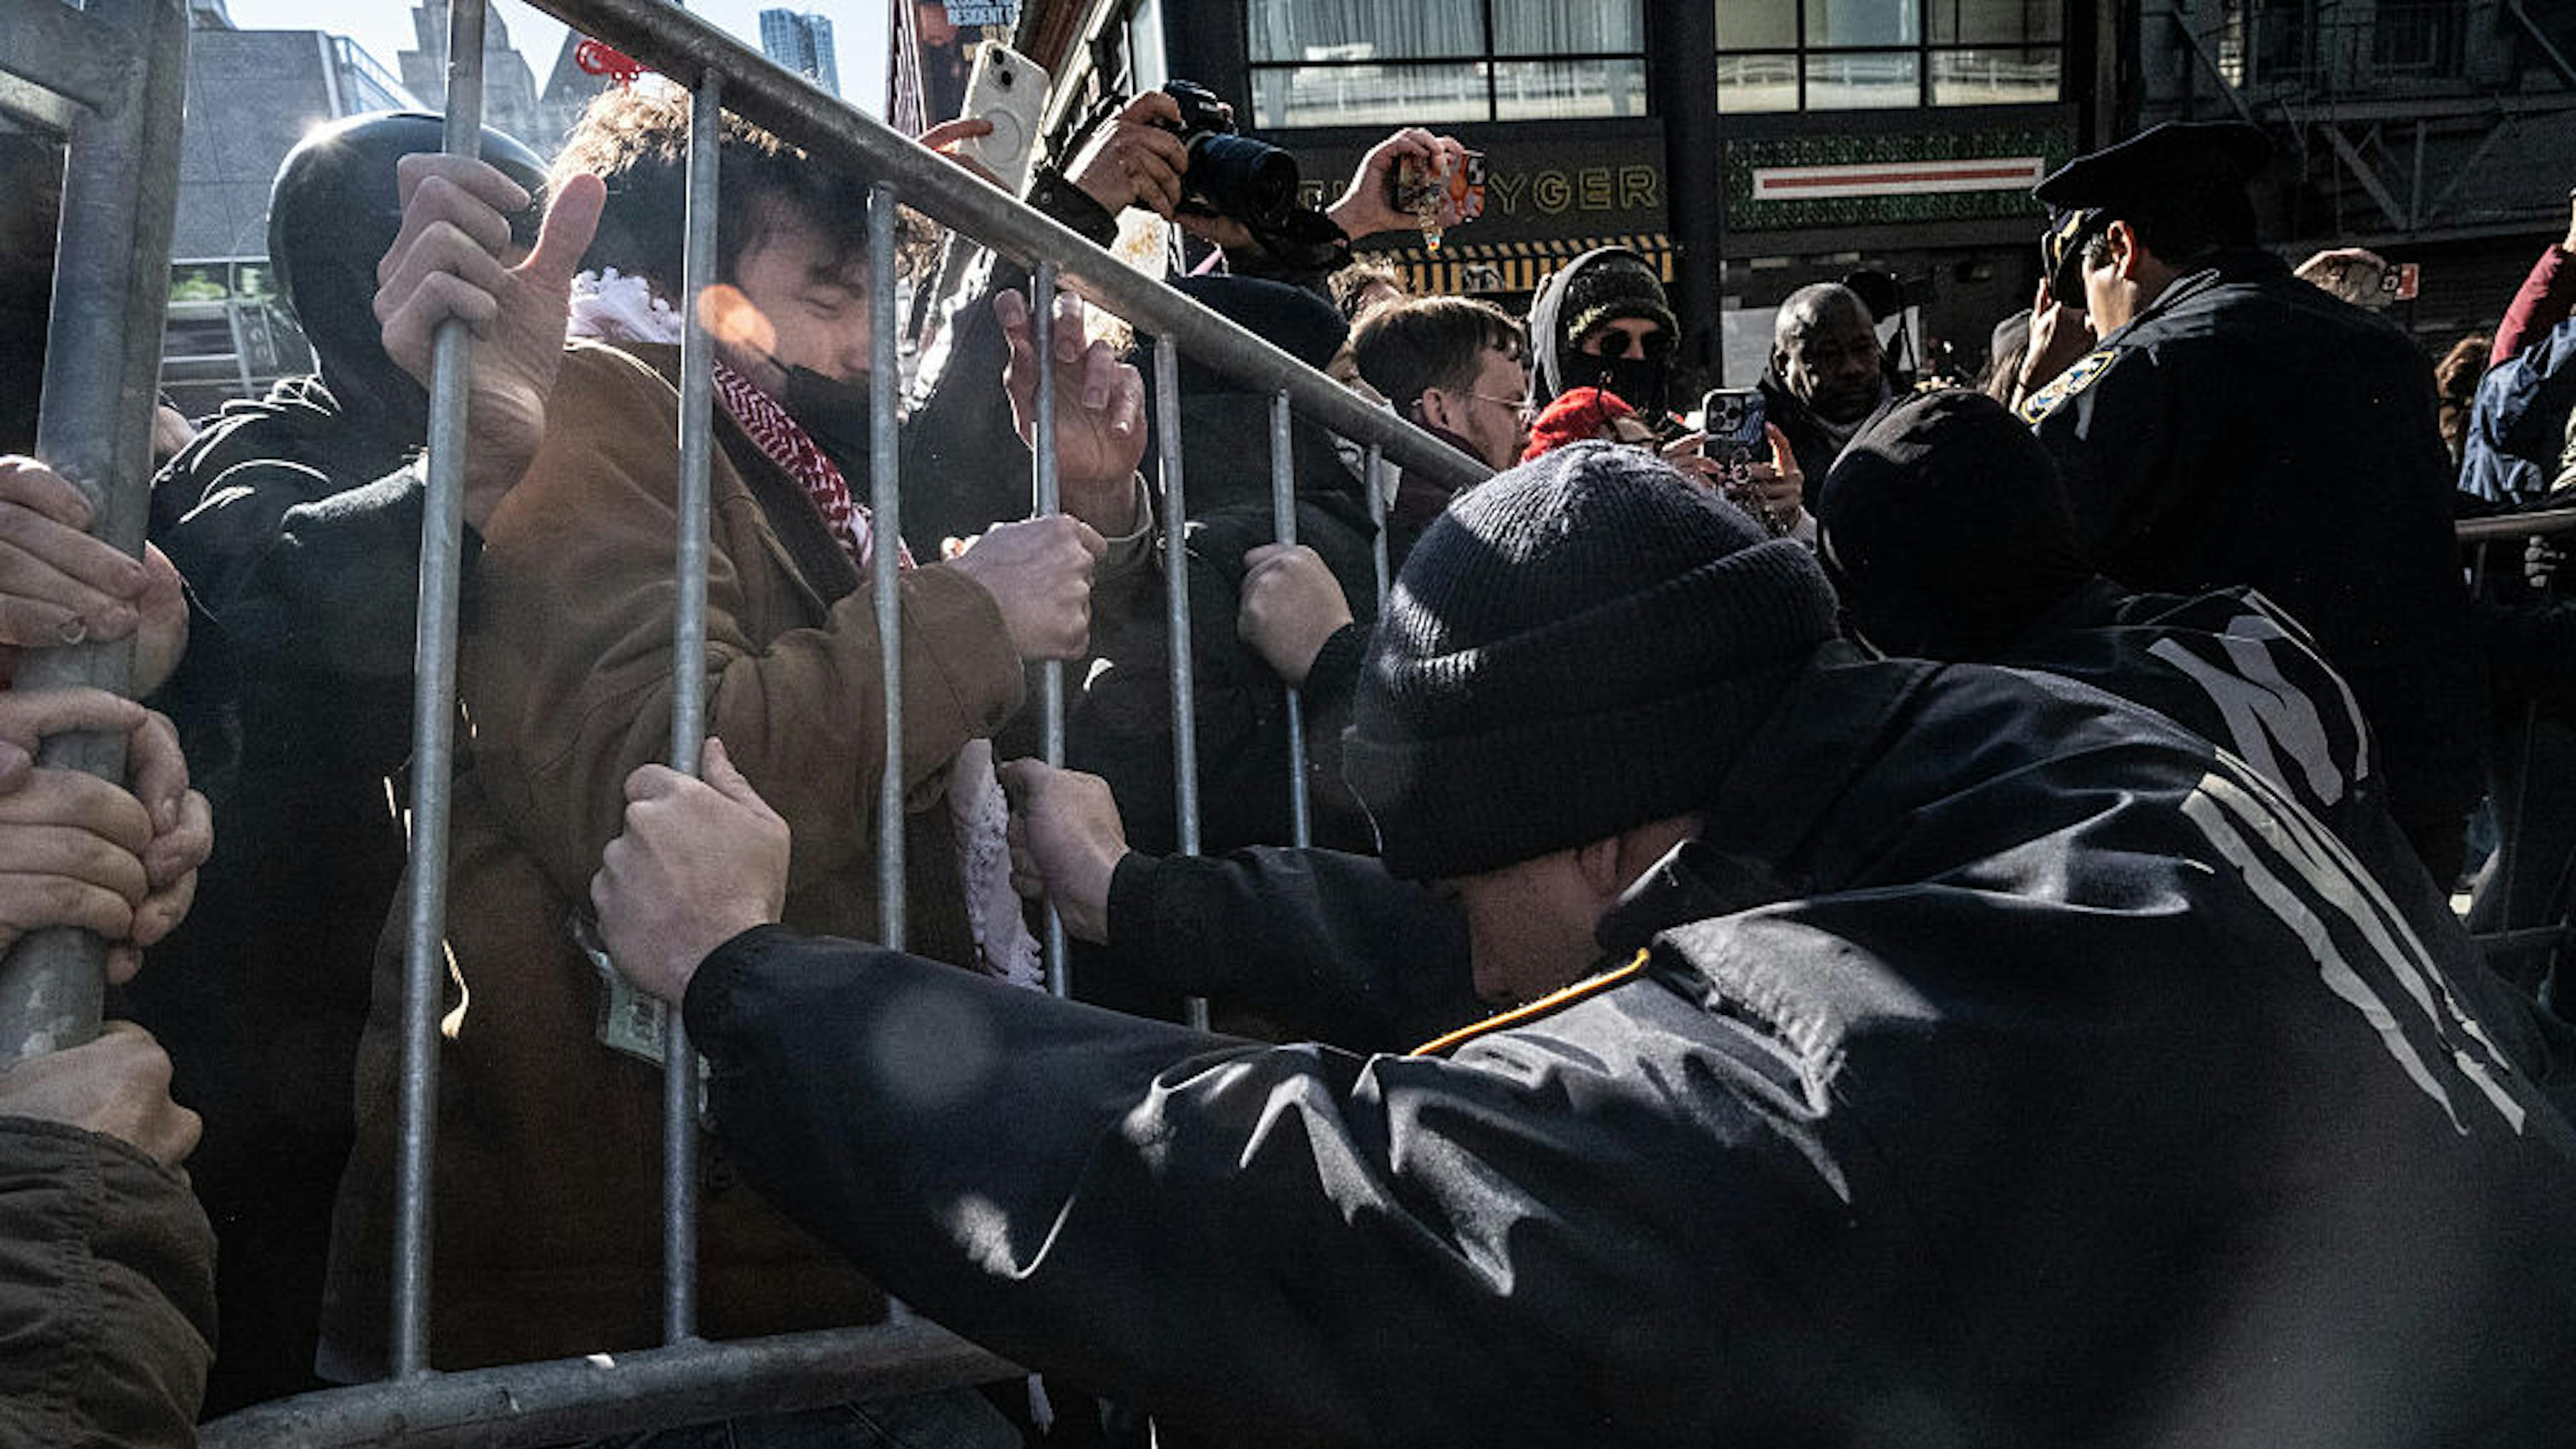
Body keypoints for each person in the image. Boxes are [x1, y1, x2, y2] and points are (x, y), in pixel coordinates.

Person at [591, 441, 2576, 1445]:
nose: (1478, 972)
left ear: (1611, 827)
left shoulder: (1881, 1049)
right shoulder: (2017, 766)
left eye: (1469, 889)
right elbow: (1540, 974)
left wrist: (752, 980)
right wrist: (1137, 900)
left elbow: (1335, 1206)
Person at [317, 87, 1133, 1421]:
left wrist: (1086, 513)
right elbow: (662, 786)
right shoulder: (602, 402)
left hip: (755, 1251)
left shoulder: (780, 455)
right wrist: (968, 615)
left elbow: (901, 747)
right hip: (640, 1288)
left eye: (875, 296)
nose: (866, 339)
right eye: (829, 292)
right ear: (694, 281)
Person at [136, 113, 553, 1410]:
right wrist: (453, 481)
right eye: (515, 250)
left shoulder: (566, 443)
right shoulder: (250, 456)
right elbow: (277, 634)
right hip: (293, 1112)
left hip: (478, 1097)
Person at [2012, 119, 2489, 884]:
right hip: (2414, 783)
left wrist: (2034, 396)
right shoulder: (2385, 351)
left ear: (2123, 248)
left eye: (2085, 293)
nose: (2090, 320)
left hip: (2247, 805)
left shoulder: (2139, 371)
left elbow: (2016, 549)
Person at [1758, 281, 1890, 488]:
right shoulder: (1755, 442)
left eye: (1863, 349)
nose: (1852, 368)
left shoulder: (1919, 422)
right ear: (1783, 364)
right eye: (1829, 354)